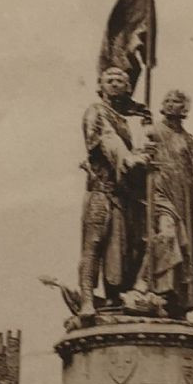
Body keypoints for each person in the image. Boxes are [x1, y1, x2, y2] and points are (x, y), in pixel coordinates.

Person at [78, 66, 151, 315]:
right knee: (94, 244)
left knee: (121, 249)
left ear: (128, 87)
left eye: (120, 80)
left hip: (123, 195)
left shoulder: (130, 121)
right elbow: (103, 140)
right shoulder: (96, 112)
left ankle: (116, 297)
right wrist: (128, 159)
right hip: (100, 190)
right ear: (100, 86)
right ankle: (87, 299)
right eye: (110, 79)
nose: (115, 83)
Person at [139, 89, 193, 319]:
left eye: (177, 101)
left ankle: (175, 299)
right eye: (168, 100)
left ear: (184, 108)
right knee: (168, 235)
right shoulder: (153, 131)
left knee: (187, 246)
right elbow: (140, 156)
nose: (171, 104)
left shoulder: (189, 140)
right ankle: (147, 285)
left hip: (186, 198)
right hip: (160, 192)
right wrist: (145, 155)